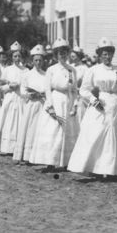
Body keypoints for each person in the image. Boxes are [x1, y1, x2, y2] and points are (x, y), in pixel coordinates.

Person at [67, 38, 117, 180]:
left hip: (115, 106)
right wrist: (94, 100)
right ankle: (95, 168)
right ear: (100, 55)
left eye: (109, 54)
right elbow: (84, 90)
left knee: (114, 138)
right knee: (97, 136)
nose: (107, 57)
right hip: (99, 107)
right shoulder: (93, 70)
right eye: (104, 54)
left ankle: (112, 170)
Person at [29, 39, 79, 173]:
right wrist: (50, 106)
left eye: (64, 53)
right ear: (56, 55)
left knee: (68, 131)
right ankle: (50, 161)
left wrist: (75, 104)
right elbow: (47, 89)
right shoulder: (51, 70)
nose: (62, 55)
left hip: (67, 101)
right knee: (53, 131)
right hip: (56, 100)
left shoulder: (72, 70)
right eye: (59, 53)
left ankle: (65, 161)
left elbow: (74, 89)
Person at [14, 45, 48, 164]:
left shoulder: (46, 75)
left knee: (41, 129)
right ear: (32, 61)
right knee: (29, 129)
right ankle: (26, 155)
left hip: (42, 105)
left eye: (40, 60)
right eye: (36, 60)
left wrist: (43, 95)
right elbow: (23, 90)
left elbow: (49, 90)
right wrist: (30, 95)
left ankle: (39, 156)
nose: (38, 63)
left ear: (43, 61)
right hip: (31, 105)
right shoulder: (27, 74)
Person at [0, 42, 26, 155]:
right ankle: (7, 147)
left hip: (21, 98)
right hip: (10, 97)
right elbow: (1, 86)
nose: (17, 58)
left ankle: (19, 146)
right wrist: (9, 86)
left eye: (19, 56)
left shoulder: (26, 70)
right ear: (11, 57)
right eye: (15, 56)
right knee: (9, 121)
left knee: (20, 121)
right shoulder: (7, 70)